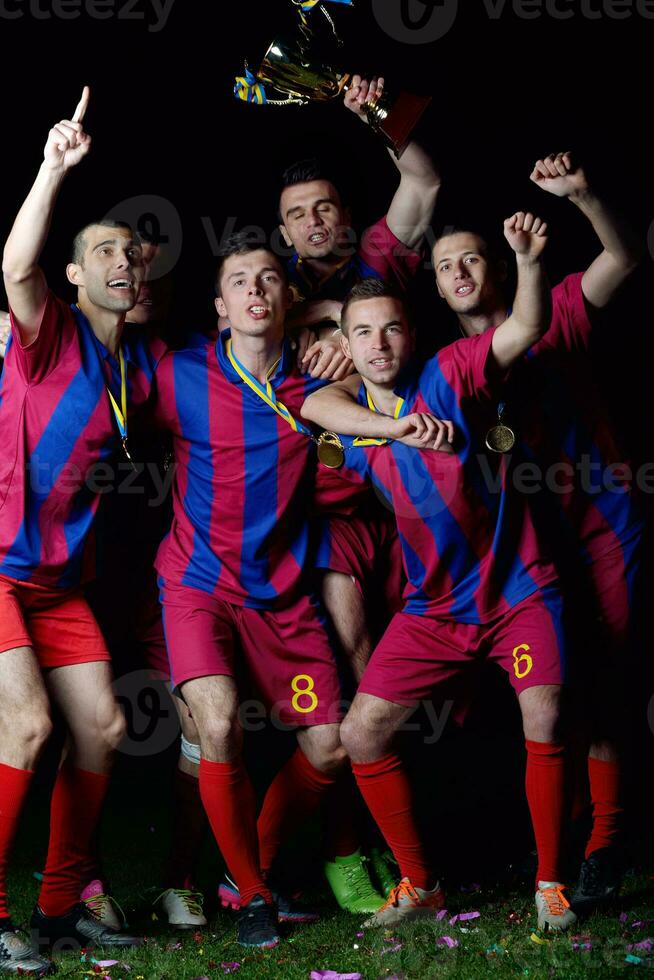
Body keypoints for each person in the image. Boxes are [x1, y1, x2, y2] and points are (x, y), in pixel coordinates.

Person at [302, 214, 579, 933]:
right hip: (436, 611)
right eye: (362, 333)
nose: (379, 344)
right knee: (361, 734)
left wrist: (527, 261)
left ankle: (551, 882)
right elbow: (311, 404)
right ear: (346, 344)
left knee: (543, 714)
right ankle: (421, 886)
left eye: (391, 328)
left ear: (413, 334)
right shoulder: (357, 417)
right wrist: (393, 427)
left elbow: (523, 327)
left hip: (518, 588)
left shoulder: (452, 373)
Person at [431, 152, 643, 912]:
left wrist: (583, 193)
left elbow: (625, 256)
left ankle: (605, 840)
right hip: (526, 552)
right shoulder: (450, 366)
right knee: (554, 693)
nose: (459, 271)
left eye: (472, 257)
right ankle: (576, 827)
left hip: (601, 527)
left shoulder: (557, 307)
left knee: (606, 680)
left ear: (498, 264)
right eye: (444, 264)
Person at [153, 234, 348, 949]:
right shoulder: (179, 373)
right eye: (240, 281)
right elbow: (94, 383)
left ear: (286, 301)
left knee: (329, 746)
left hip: (283, 598)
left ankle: (247, 872)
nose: (257, 290)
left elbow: (365, 385)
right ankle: (256, 895)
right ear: (220, 306)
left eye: (270, 278)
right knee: (220, 724)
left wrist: (351, 356)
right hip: (198, 585)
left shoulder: (314, 385)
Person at [278, 77, 443, 910]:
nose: (316, 220)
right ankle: (347, 853)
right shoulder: (273, 298)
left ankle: (406, 843)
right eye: (299, 211)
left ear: (345, 212)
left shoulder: (381, 262)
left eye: (326, 206)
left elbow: (425, 185)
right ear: (283, 229)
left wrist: (375, 114)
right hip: (334, 518)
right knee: (350, 678)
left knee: (413, 682)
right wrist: (308, 330)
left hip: (415, 505)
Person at [0, 88, 152, 973]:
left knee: (103, 725)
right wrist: (53, 168)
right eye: (103, 252)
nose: (123, 262)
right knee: (26, 728)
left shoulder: (138, 364)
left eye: (131, 253)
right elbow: (17, 266)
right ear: (77, 275)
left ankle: (61, 901)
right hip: (1, 567)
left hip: (56, 581)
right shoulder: (47, 332)